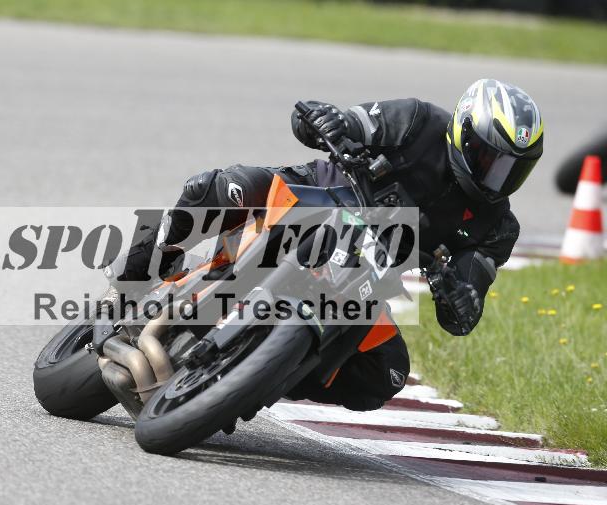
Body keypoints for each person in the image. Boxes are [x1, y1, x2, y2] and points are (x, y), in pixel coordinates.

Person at [119, 78, 544, 411]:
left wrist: (461, 299)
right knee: (218, 188)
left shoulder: (496, 228)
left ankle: (253, 379)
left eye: (511, 170)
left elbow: (465, 304)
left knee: (387, 374)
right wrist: (328, 122)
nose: (496, 177)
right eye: (489, 159)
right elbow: (334, 122)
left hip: (363, 277)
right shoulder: (418, 121)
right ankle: (133, 278)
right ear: (462, 129)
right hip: (317, 194)